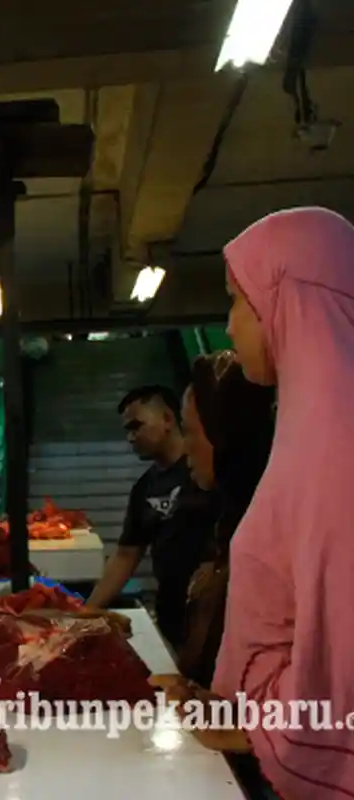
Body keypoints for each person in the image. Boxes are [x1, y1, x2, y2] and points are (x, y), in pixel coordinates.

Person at [176, 207, 354, 797]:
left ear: (288, 302)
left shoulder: (336, 441)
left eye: (237, 300)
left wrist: (256, 728)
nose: (228, 327)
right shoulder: (309, 428)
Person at [85, 385, 217, 649]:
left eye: (137, 426)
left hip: (216, 614)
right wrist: (86, 612)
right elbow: (126, 555)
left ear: (168, 419)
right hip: (173, 616)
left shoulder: (211, 472)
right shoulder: (144, 488)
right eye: (127, 430)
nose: (131, 437)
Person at [177, 351, 275, 687]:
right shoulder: (230, 524)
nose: (184, 447)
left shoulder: (270, 542)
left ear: (226, 436)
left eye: (189, 432)